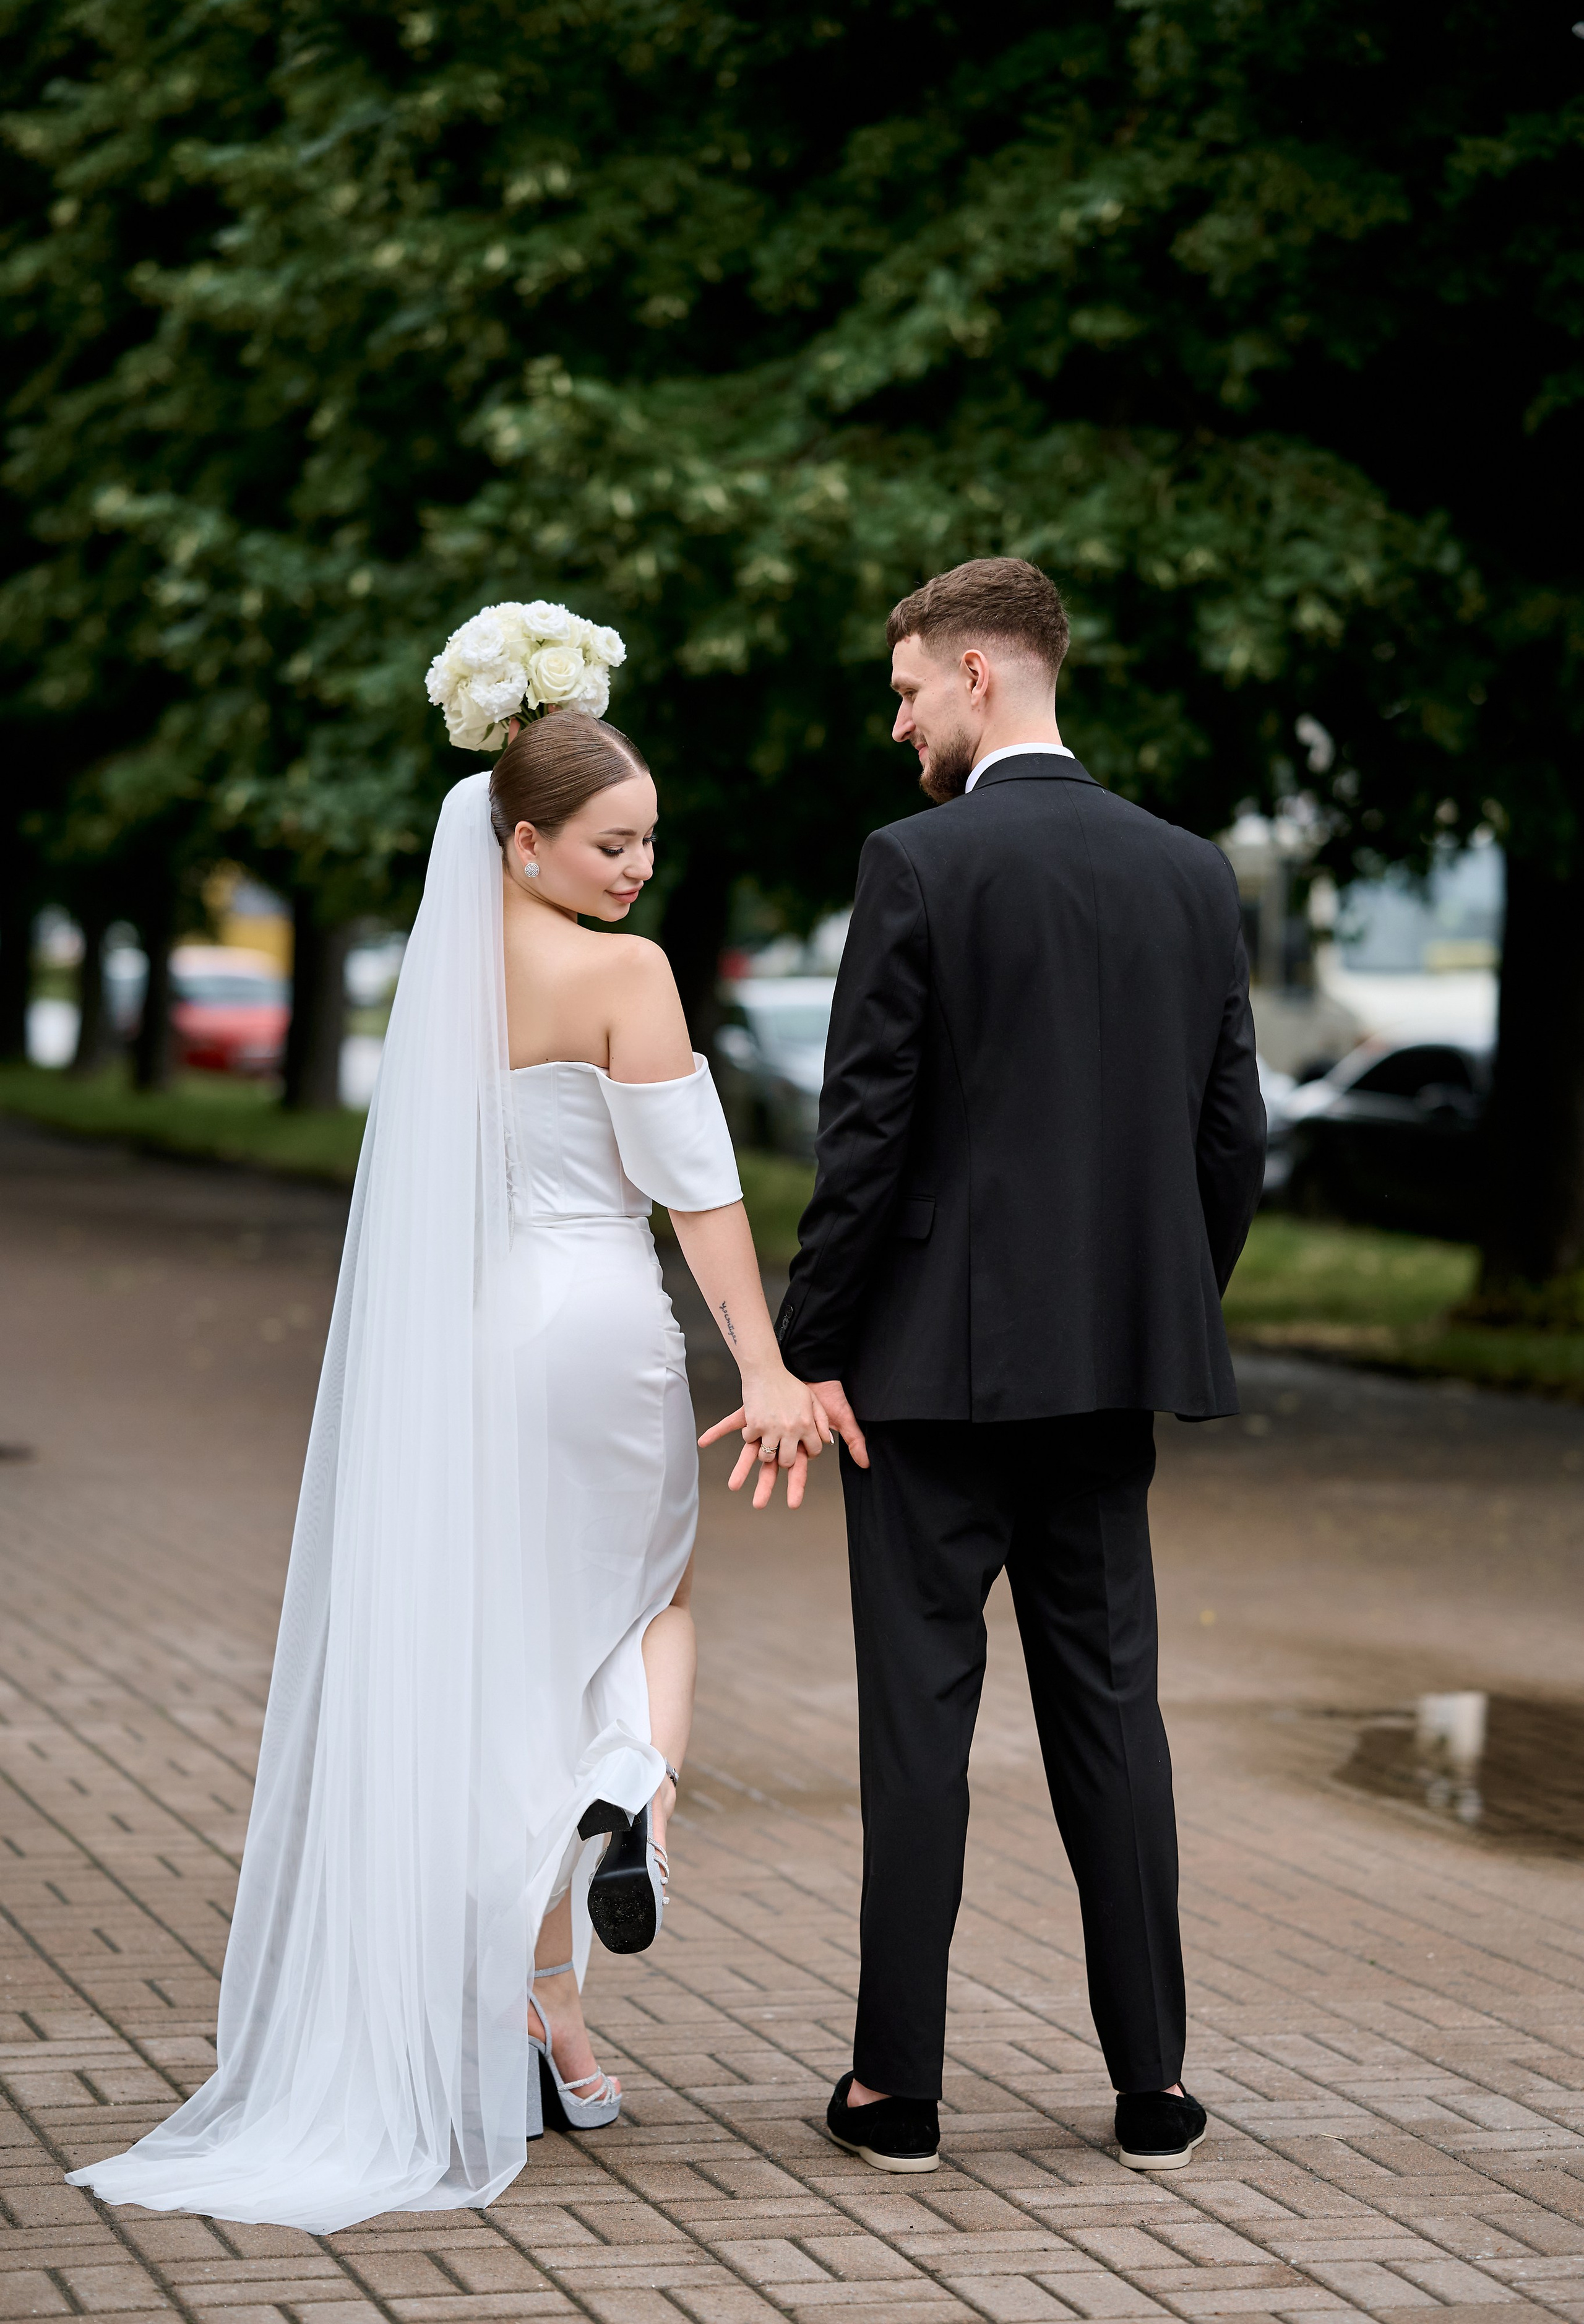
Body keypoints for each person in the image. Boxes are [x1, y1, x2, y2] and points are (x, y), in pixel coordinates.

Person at [67, 639, 827, 2231]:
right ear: (523, 836)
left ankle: (545, 2011)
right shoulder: (629, 977)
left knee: (498, 1657)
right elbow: (698, 1188)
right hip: (603, 1329)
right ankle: (631, 1789)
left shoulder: (445, 971)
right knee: (646, 1610)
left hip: (479, 1349)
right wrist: (762, 1365)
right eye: (613, 843)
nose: (638, 867)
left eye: (648, 844)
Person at [764, 556, 1266, 2177]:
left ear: (982, 673)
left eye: (908, 686)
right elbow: (1228, 1142)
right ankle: (1156, 2089)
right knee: (1115, 1717)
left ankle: (894, 2094)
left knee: (921, 1727)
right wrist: (1150, 1303)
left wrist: (807, 1349)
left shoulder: (915, 865)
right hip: (1105, 1377)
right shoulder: (1191, 874)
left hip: (919, 1384)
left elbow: (868, 1143)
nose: (897, 718)